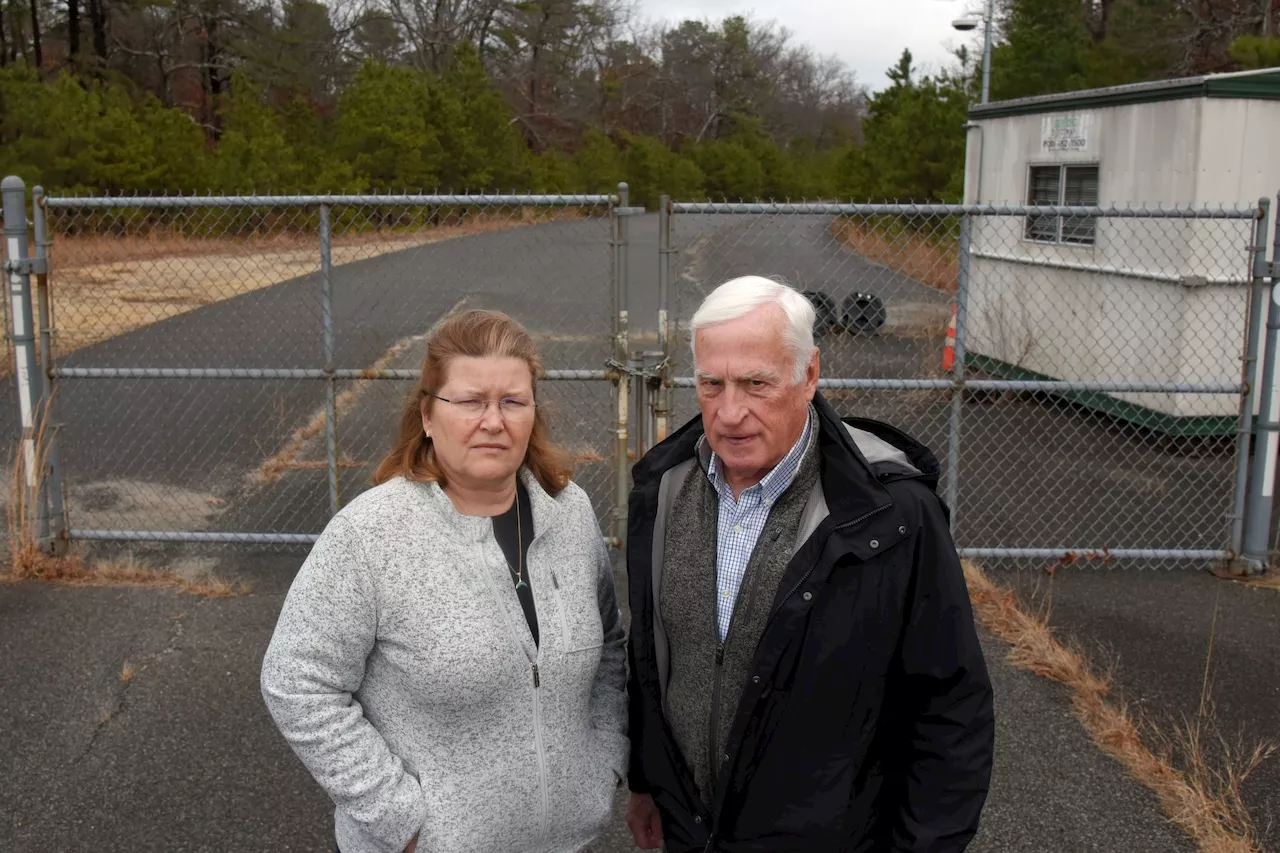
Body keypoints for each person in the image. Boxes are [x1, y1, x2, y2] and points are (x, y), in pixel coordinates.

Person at [623, 276, 995, 852]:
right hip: (690, 832)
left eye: (756, 384)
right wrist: (649, 784)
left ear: (810, 374)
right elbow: (651, 658)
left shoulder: (890, 513)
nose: (729, 413)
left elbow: (948, 704)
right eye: (711, 384)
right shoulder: (663, 490)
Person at [260, 309, 628, 853]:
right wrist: (400, 821)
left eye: (512, 401)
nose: (493, 421)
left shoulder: (569, 513)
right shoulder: (370, 535)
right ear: (428, 415)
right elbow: (297, 680)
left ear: (533, 413)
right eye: (470, 401)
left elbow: (610, 651)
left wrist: (606, 761)